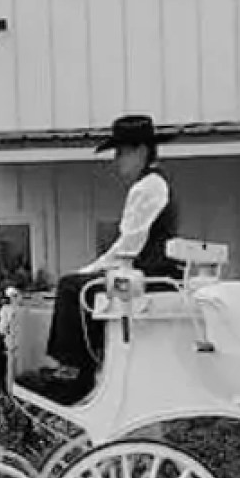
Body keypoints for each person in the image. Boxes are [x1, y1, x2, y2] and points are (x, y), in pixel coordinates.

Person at [22, 114, 182, 404]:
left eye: (121, 153)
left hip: (145, 278)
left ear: (141, 151)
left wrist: (88, 271)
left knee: (73, 287)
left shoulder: (146, 187)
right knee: (82, 284)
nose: (116, 161)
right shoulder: (156, 183)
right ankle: (87, 361)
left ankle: (76, 371)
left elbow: (128, 247)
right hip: (150, 274)